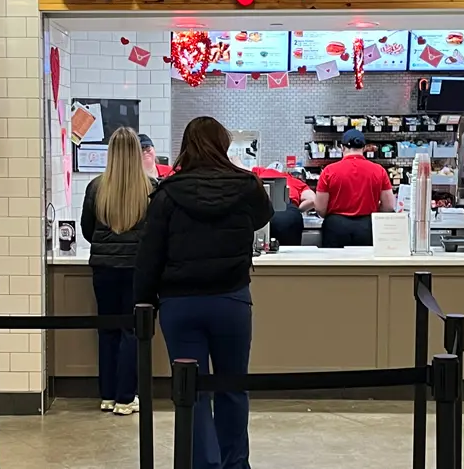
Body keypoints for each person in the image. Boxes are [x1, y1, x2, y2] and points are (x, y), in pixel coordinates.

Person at [135, 116, 274, 469]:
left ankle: (202, 465)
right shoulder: (246, 186)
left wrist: (145, 300)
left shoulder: (167, 192)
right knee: (232, 385)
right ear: (223, 144)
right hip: (231, 298)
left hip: (180, 304)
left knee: (192, 392)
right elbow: (264, 217)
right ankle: (235, 464)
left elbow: (150, 253)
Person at [80, 127, 154, 416]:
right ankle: (126, 397)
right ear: (138, 153)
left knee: (107, 331)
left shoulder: (96, 187)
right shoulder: (151, 188)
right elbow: (156, 234)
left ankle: (107, 395)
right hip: (137, 269)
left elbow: (88, 231)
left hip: (104, 269)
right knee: (131, 332)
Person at [315, 129, 395, 248]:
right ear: (364, 148)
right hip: (368, 227)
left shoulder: (329, 171)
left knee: (335, 265)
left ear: (342, 148)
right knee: (364, 265)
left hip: (336, 227)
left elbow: (320, 209)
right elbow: (389, 206)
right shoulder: (379, 170)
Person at [251, 166, 315, 246]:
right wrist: (297, 209)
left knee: (259, 248)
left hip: (261, 204)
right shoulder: (299, 183)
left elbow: (241, 168)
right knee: (288, 252)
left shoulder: (262, 171)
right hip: (287, 212)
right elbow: (312, 200)